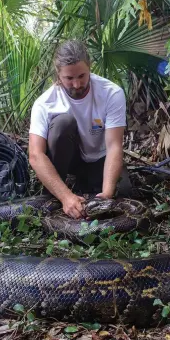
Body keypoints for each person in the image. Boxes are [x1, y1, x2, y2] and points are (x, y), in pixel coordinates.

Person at [28, 40, 131, 219]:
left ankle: (88, 186)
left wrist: (106, 196)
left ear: (90, 67)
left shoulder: (111, 93)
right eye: (69, 78)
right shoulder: (44, 103)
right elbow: (36, 155)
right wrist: (65, 197)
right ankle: (53, 196)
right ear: (58, 74)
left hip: (99, 158)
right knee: (62, 124)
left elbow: (114, 146)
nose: (77, 84)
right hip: (70, 163)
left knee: (124, 192)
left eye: (82, 76)